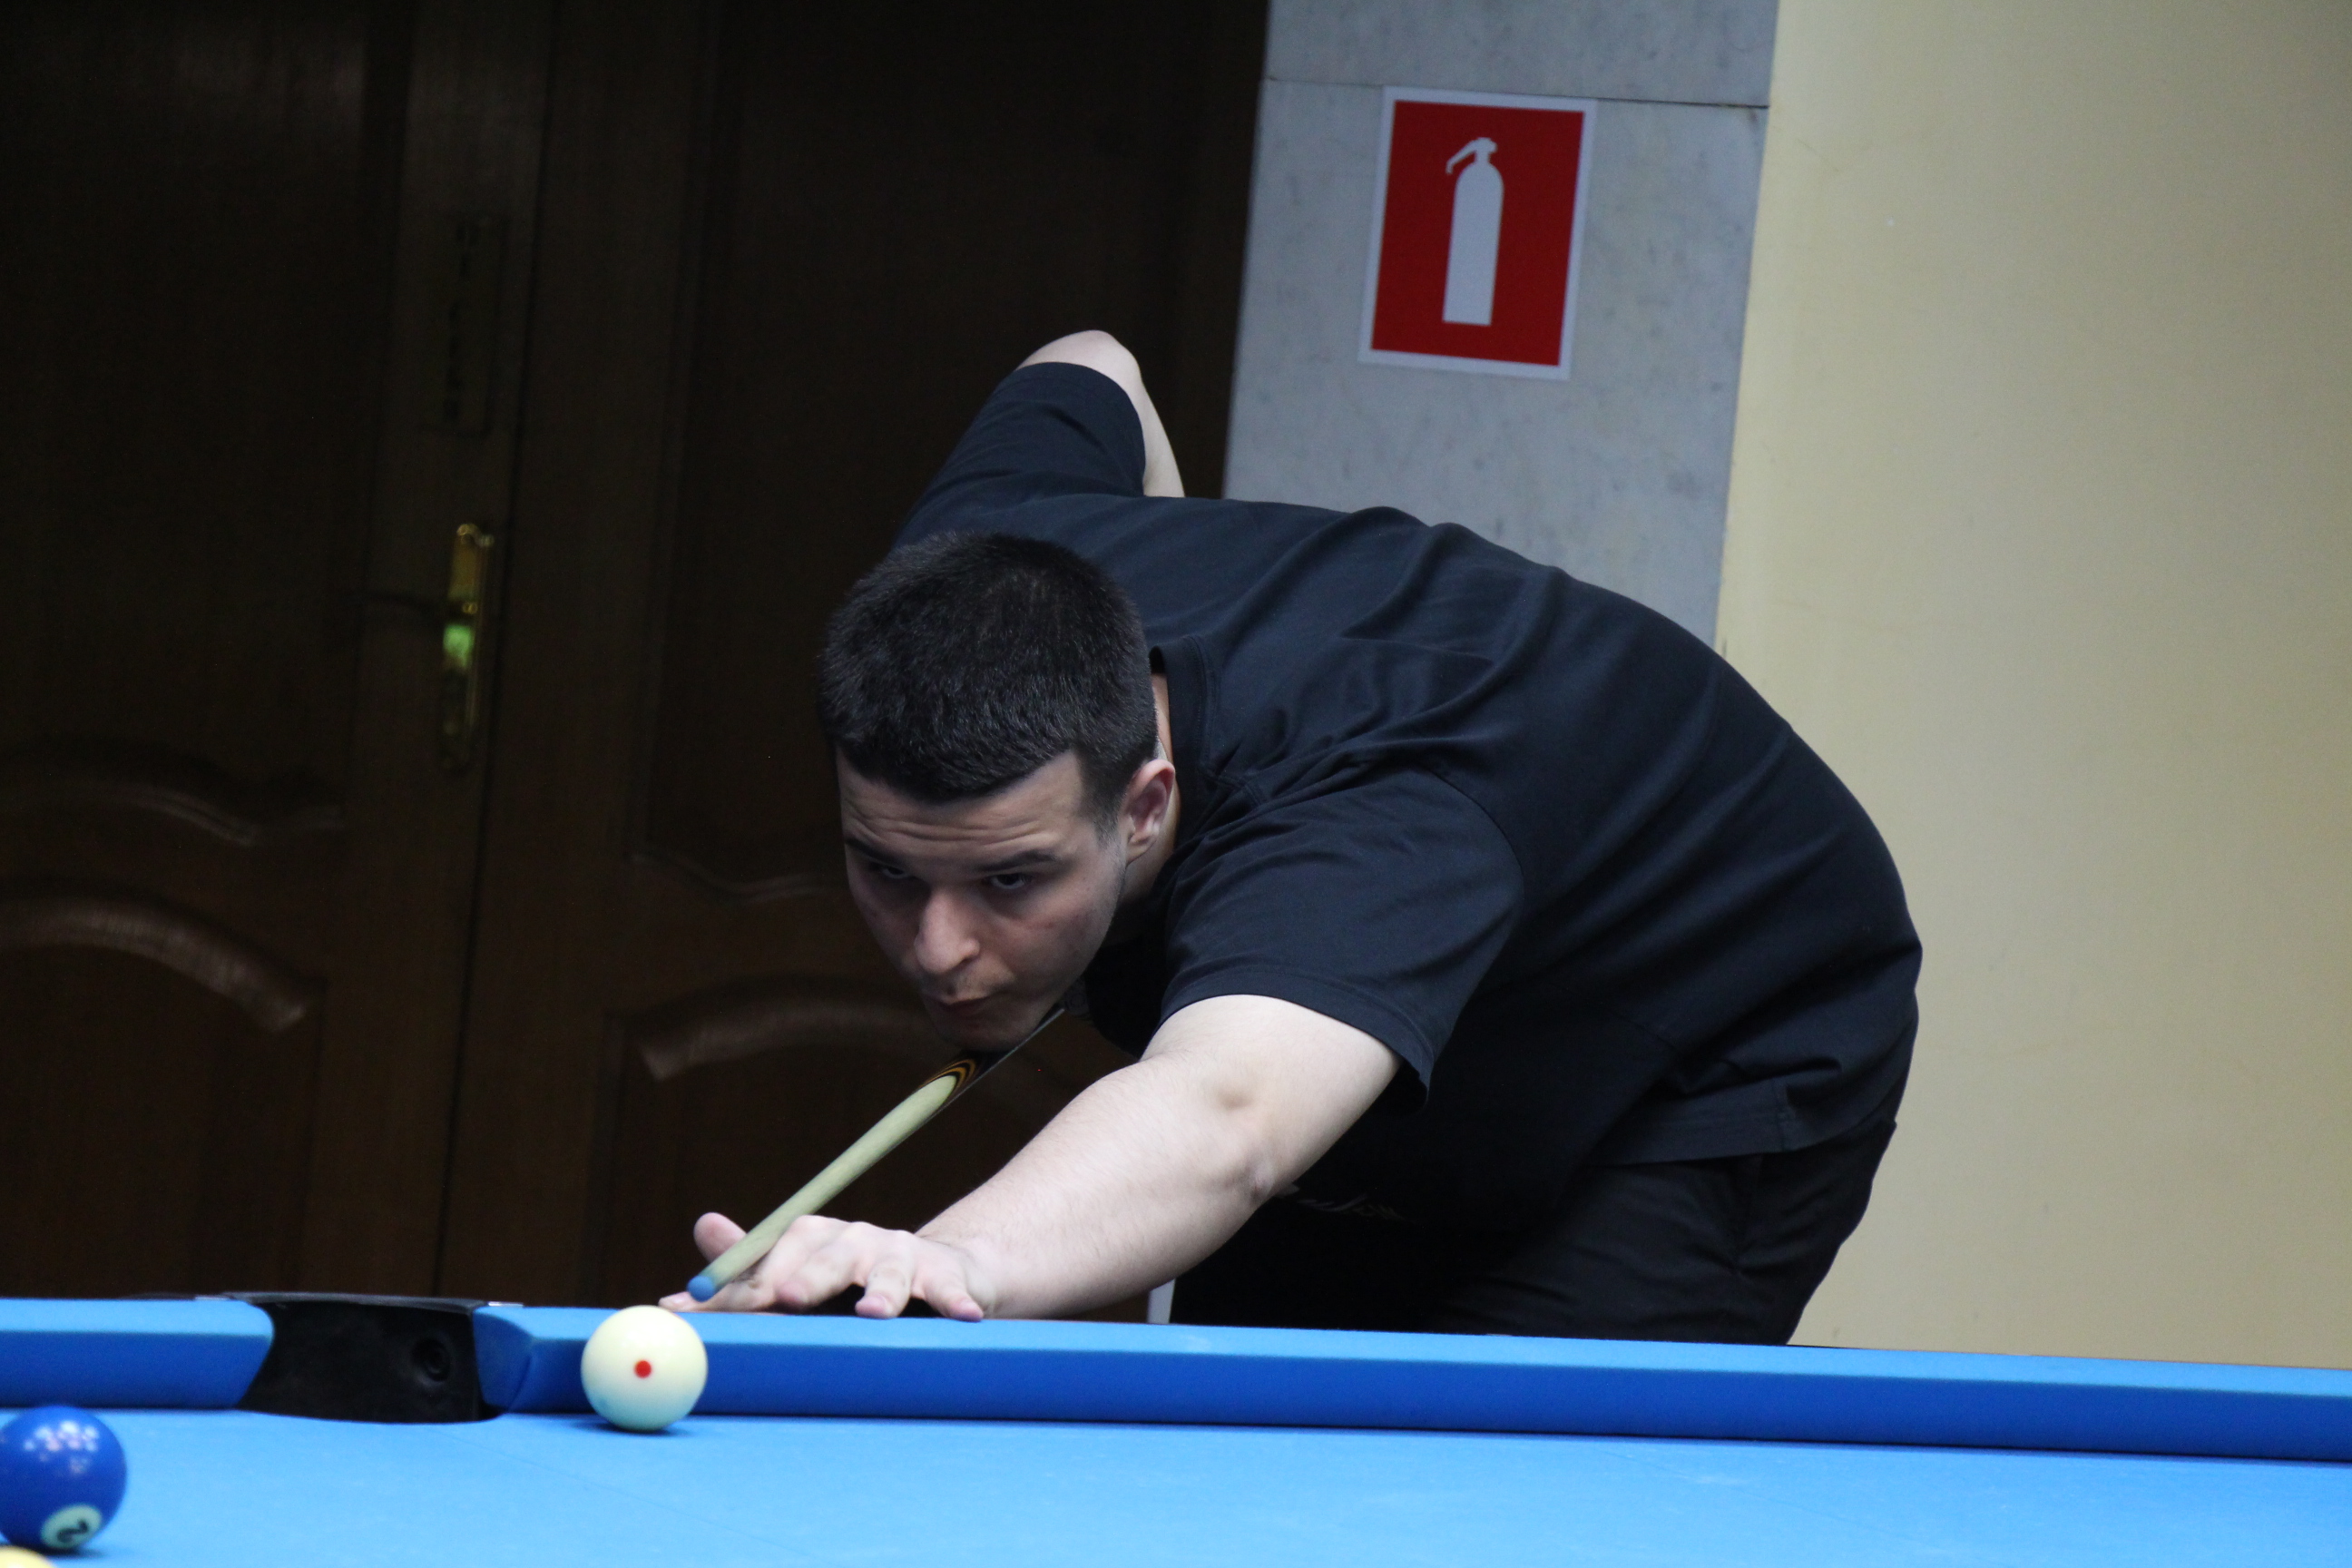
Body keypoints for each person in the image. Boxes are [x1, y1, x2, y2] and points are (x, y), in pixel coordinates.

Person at [660, 331, 1919, 1342]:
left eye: (1009, 879)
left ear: (1145, 804)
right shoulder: (973, 573)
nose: (940, 949)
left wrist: (947, 1266)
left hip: (1699, 1058)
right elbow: (1092, 362)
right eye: (889, 870)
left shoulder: (1363, 823)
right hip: (1368, 980)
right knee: (1234, 1463)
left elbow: (1227, 1114)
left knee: (1486, 1508)